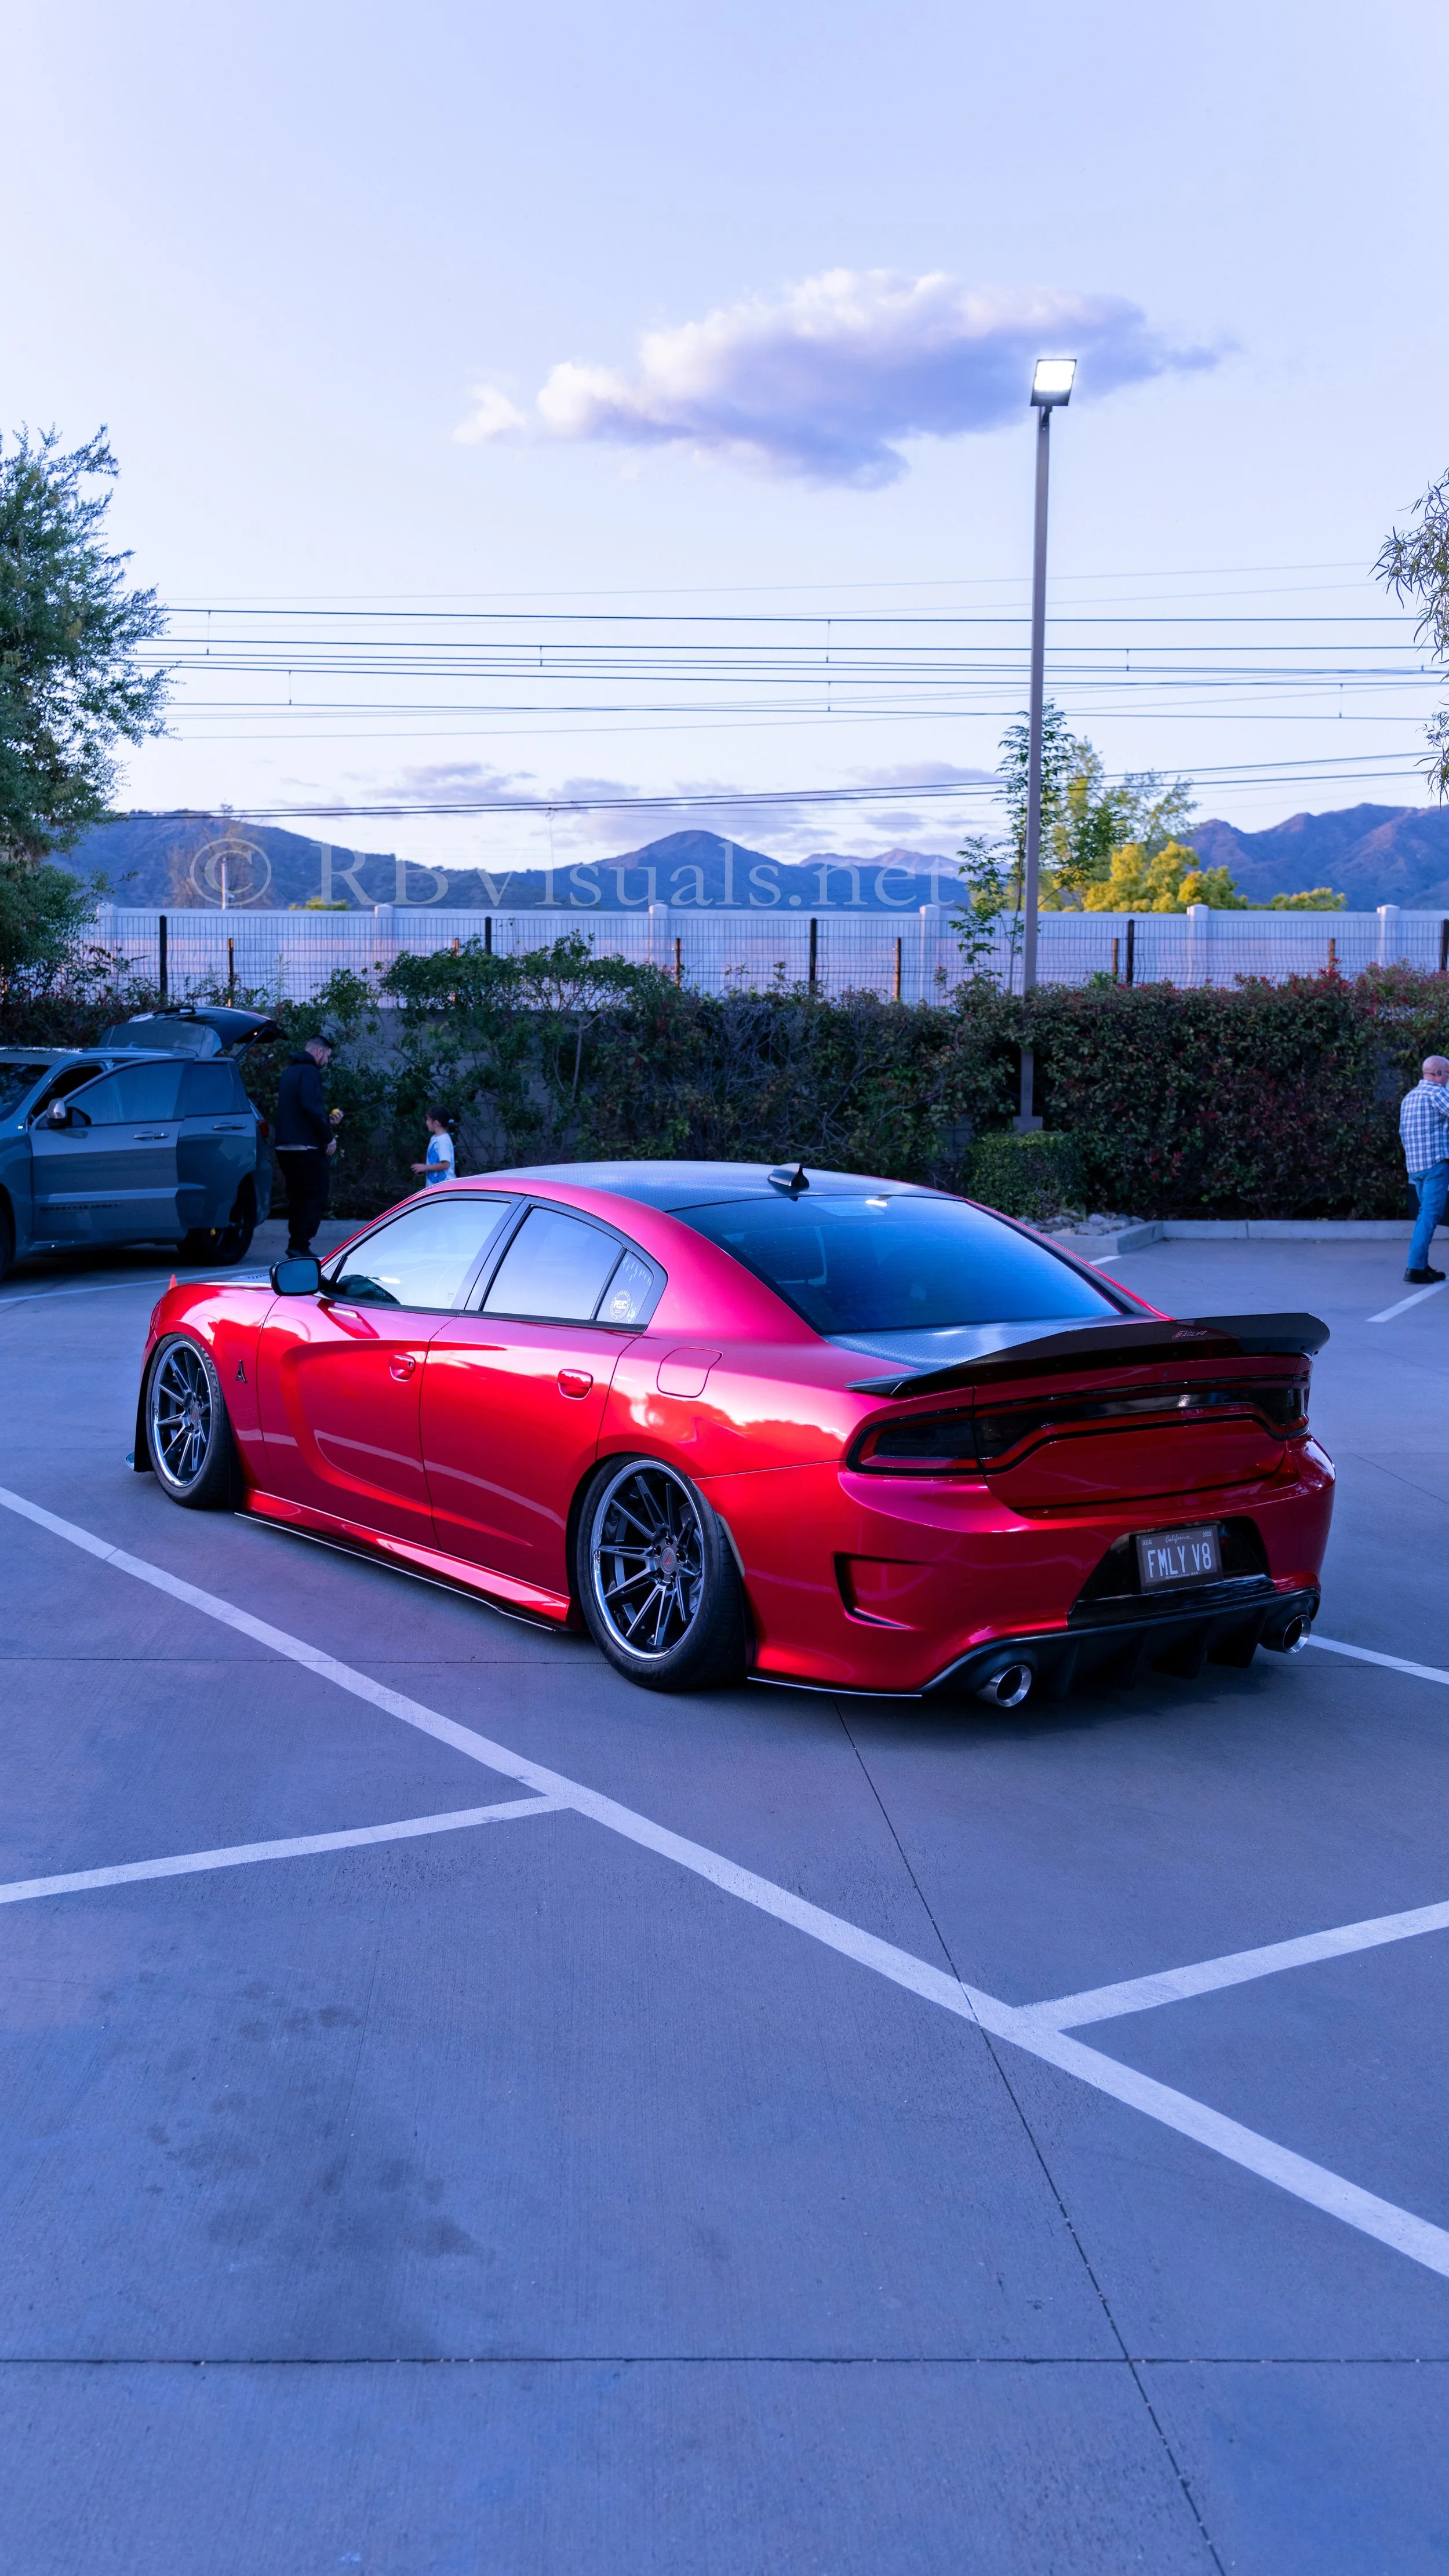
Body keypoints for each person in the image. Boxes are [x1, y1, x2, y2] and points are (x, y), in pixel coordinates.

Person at [275, 1032, 339, 1255]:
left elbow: (299, 1109)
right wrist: (328, 1137)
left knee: (297, 1196)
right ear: (319, 1052)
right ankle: (301, 1245)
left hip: (284, 1146)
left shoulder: (289, 1073)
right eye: (328, 1056)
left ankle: (296, 1244)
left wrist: (327, 1120)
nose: (327, 1061)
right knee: (316, 1194)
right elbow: (311, 1108)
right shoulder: (311, 1072)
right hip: (306, 1147)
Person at [1399, 1054, 1449, 1284]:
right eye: (1448, 1074)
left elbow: (1402, 1133)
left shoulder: (1409, 1098)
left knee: (1425, 1216)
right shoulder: (1436, 1092)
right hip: (1435, 1166)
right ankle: (1415, 1268)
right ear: (1438, 1074)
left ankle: (1421, 1265)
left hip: (1416, 1168)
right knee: (1429, 1217)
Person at [412, 1108, 455, 1189]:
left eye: (428, 1119)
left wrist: (425, 1167)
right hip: (436, 1188)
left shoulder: (443, 1141)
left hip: (445, 1188)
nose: (426, 1122)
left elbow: (446, 1165)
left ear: (436, 1123)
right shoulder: (435, 1138)